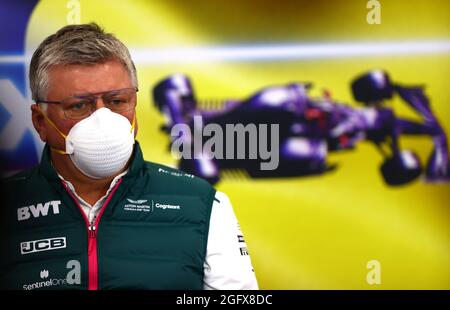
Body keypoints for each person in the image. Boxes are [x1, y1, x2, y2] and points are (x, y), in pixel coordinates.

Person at [0, 23, 258, 290]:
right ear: (40, 121)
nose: (102, 118)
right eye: (78, 105)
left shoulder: (203, 204)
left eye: (117, 101)